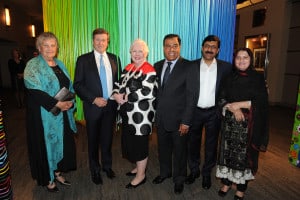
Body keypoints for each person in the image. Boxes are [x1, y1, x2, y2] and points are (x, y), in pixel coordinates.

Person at [24, 32, 77, 192]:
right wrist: (57, 104)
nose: (49, 48)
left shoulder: (60, 64)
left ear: (57, 47)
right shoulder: (33, 65)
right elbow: (34, 90)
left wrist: (69, 102)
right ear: (39, 48)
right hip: (43, 116)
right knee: (45, 146)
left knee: (62, 142)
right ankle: (48, 178)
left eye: (52, 45)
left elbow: (69, 85)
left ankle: (57, 171)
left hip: (62, 114)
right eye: (45, 45)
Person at [216, 47, 269, 200]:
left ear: (250, 59)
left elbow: (261, 102)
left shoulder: (258, 78)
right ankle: (226, 183)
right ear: (234, 60)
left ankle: (241, 188)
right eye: (238, 57)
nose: (241, 60)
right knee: (227, 155)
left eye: (245, 57)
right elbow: (221, 97)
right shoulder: (229, 77)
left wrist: (239, 105)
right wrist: (233, 109)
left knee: (244, 158)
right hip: (230, 125)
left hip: (249, 126)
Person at [74, 28, 122, 185]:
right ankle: (94, 170)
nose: (101, 43)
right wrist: (94, 99)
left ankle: (107, 167)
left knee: (108, 139)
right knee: (93, 140)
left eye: (104, 40)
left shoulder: (115, 59)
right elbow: (78, 85)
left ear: (108, 42)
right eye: (97, 40)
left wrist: (117, 94)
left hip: (110, 107)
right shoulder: (83, 60)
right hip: (93, 107)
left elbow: (118, 82)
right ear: (93, 41)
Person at [152, 34, 197, 195]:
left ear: (180, 46)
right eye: (167, 45)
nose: (171, 49)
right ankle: (165, 173)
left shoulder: (189, 66)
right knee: (163, 149)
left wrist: (186, 121)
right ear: (163, 47)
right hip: (161, 118)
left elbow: (192, 96)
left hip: (180, 121)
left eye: (175, 45)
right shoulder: (156, 66)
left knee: (180, 152)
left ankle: (179, 179)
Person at [186, 35, 232, 189]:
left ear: (218, 50)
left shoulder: (226, 67)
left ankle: (206, 173)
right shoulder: (191, 66)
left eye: (213, 47)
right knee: (193, 143)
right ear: (201, 47)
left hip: (214, 112)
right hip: (195, 112)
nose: (209, 49)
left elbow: (239, 80)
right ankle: (194, 171)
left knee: (211, 145)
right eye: (207, 46)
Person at [112, 39, 157, 189]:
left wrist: (124, 97)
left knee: (140, 145)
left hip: (140, 117)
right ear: (130, 53)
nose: (137, 54)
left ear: (146, 53)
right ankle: (139, 168)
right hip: (127, 114)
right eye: (134, 51)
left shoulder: (149, 69)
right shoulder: (128, 67)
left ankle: (141, 175)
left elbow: (147, 91)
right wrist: (115, 94)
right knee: (131, 143)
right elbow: (119, 84)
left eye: (140, 51)